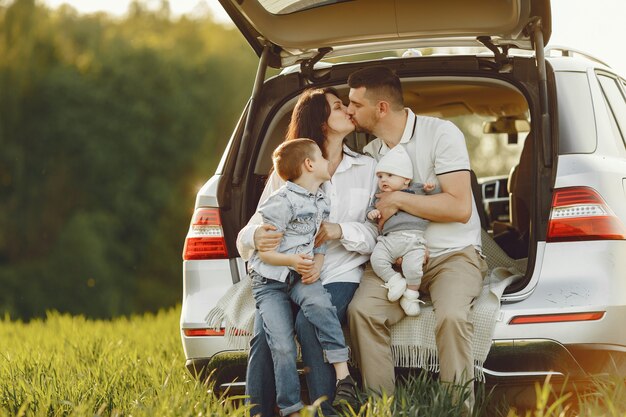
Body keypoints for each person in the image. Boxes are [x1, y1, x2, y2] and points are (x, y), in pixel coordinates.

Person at [346, 66, 488, 405]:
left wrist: (398, 199)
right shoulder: (370, 156)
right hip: (393, 261)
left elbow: (459, 207)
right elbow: (373, 218)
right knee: (360, 313)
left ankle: (455, 411)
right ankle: (382, 409)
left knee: (452, 317)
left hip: (452, 256)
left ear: (381, 108)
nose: (349, 110)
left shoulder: (441, 134)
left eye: (355, 104)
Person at [237, 87, 378, 416]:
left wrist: (340, 230)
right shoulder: (285, 176)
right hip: (287, 274)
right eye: (339, 106)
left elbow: (376, 233)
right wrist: (256, 237)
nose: (349, 110)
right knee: (263, 335)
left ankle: (326, 410)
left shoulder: (367, 168)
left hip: (341, 272)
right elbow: (251, 229)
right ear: (322, 122)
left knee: (307, 326)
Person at [246, 138, 359, 417]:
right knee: (282, 344)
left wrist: (317, 262)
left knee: (321, 306)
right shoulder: (280, 202)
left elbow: (317, 239)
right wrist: (293, 261)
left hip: (298, 275)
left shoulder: (321, 198)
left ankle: (344, 375)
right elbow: (265, 254)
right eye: (321, 157)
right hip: (271, 281)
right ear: (309, 164)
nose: (326, 160)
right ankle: (290, 408)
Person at [366, 144, 437, 316]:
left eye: (390, 175)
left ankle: (411, 296)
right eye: (380, 176)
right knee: (377, 259)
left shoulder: (416, 190)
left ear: (406, 179)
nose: (383, 180)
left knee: (414, 269)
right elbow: (370, 209)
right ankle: (394, 280)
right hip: (389, 240)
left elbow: (437, 200)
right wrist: (372, 213)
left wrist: (430, 189)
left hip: (413, 239)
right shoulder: (379, 195)